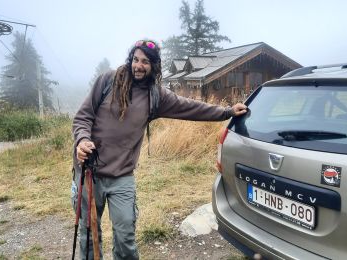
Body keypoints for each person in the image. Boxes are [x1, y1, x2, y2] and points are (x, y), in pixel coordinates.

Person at [72, 39, 247, 259]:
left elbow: (191, 107)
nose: (138, 65)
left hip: (121, 176)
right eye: (135, 59)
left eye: (145, 61)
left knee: (125, 237)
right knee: (88, 235)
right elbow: (83, 116)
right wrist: (82, 140)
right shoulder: (108, 81)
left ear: (154, 65)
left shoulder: (156, 96)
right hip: (89, 172)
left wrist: (227, 111)